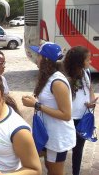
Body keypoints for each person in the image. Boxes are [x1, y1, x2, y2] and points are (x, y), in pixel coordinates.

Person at [22, 42, 76, 175]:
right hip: (48, 134)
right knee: (48, 166)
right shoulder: (49, 77)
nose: (37, 58)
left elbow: (66, 114)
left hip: (58, 137)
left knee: (55, 171)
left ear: (45, 59)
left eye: (39, 56)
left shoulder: (57, 82)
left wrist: (37, 105)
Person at [63, 46, 98, 175]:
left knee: (78, 149)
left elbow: (90, 90)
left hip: (82, 118)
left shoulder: (86, 73)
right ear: (79, 61)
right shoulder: (66, 76)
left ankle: (75, 173)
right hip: (68, 118)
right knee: (64, 148)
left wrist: (92, 102)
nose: (90, 62)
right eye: (88, 60)